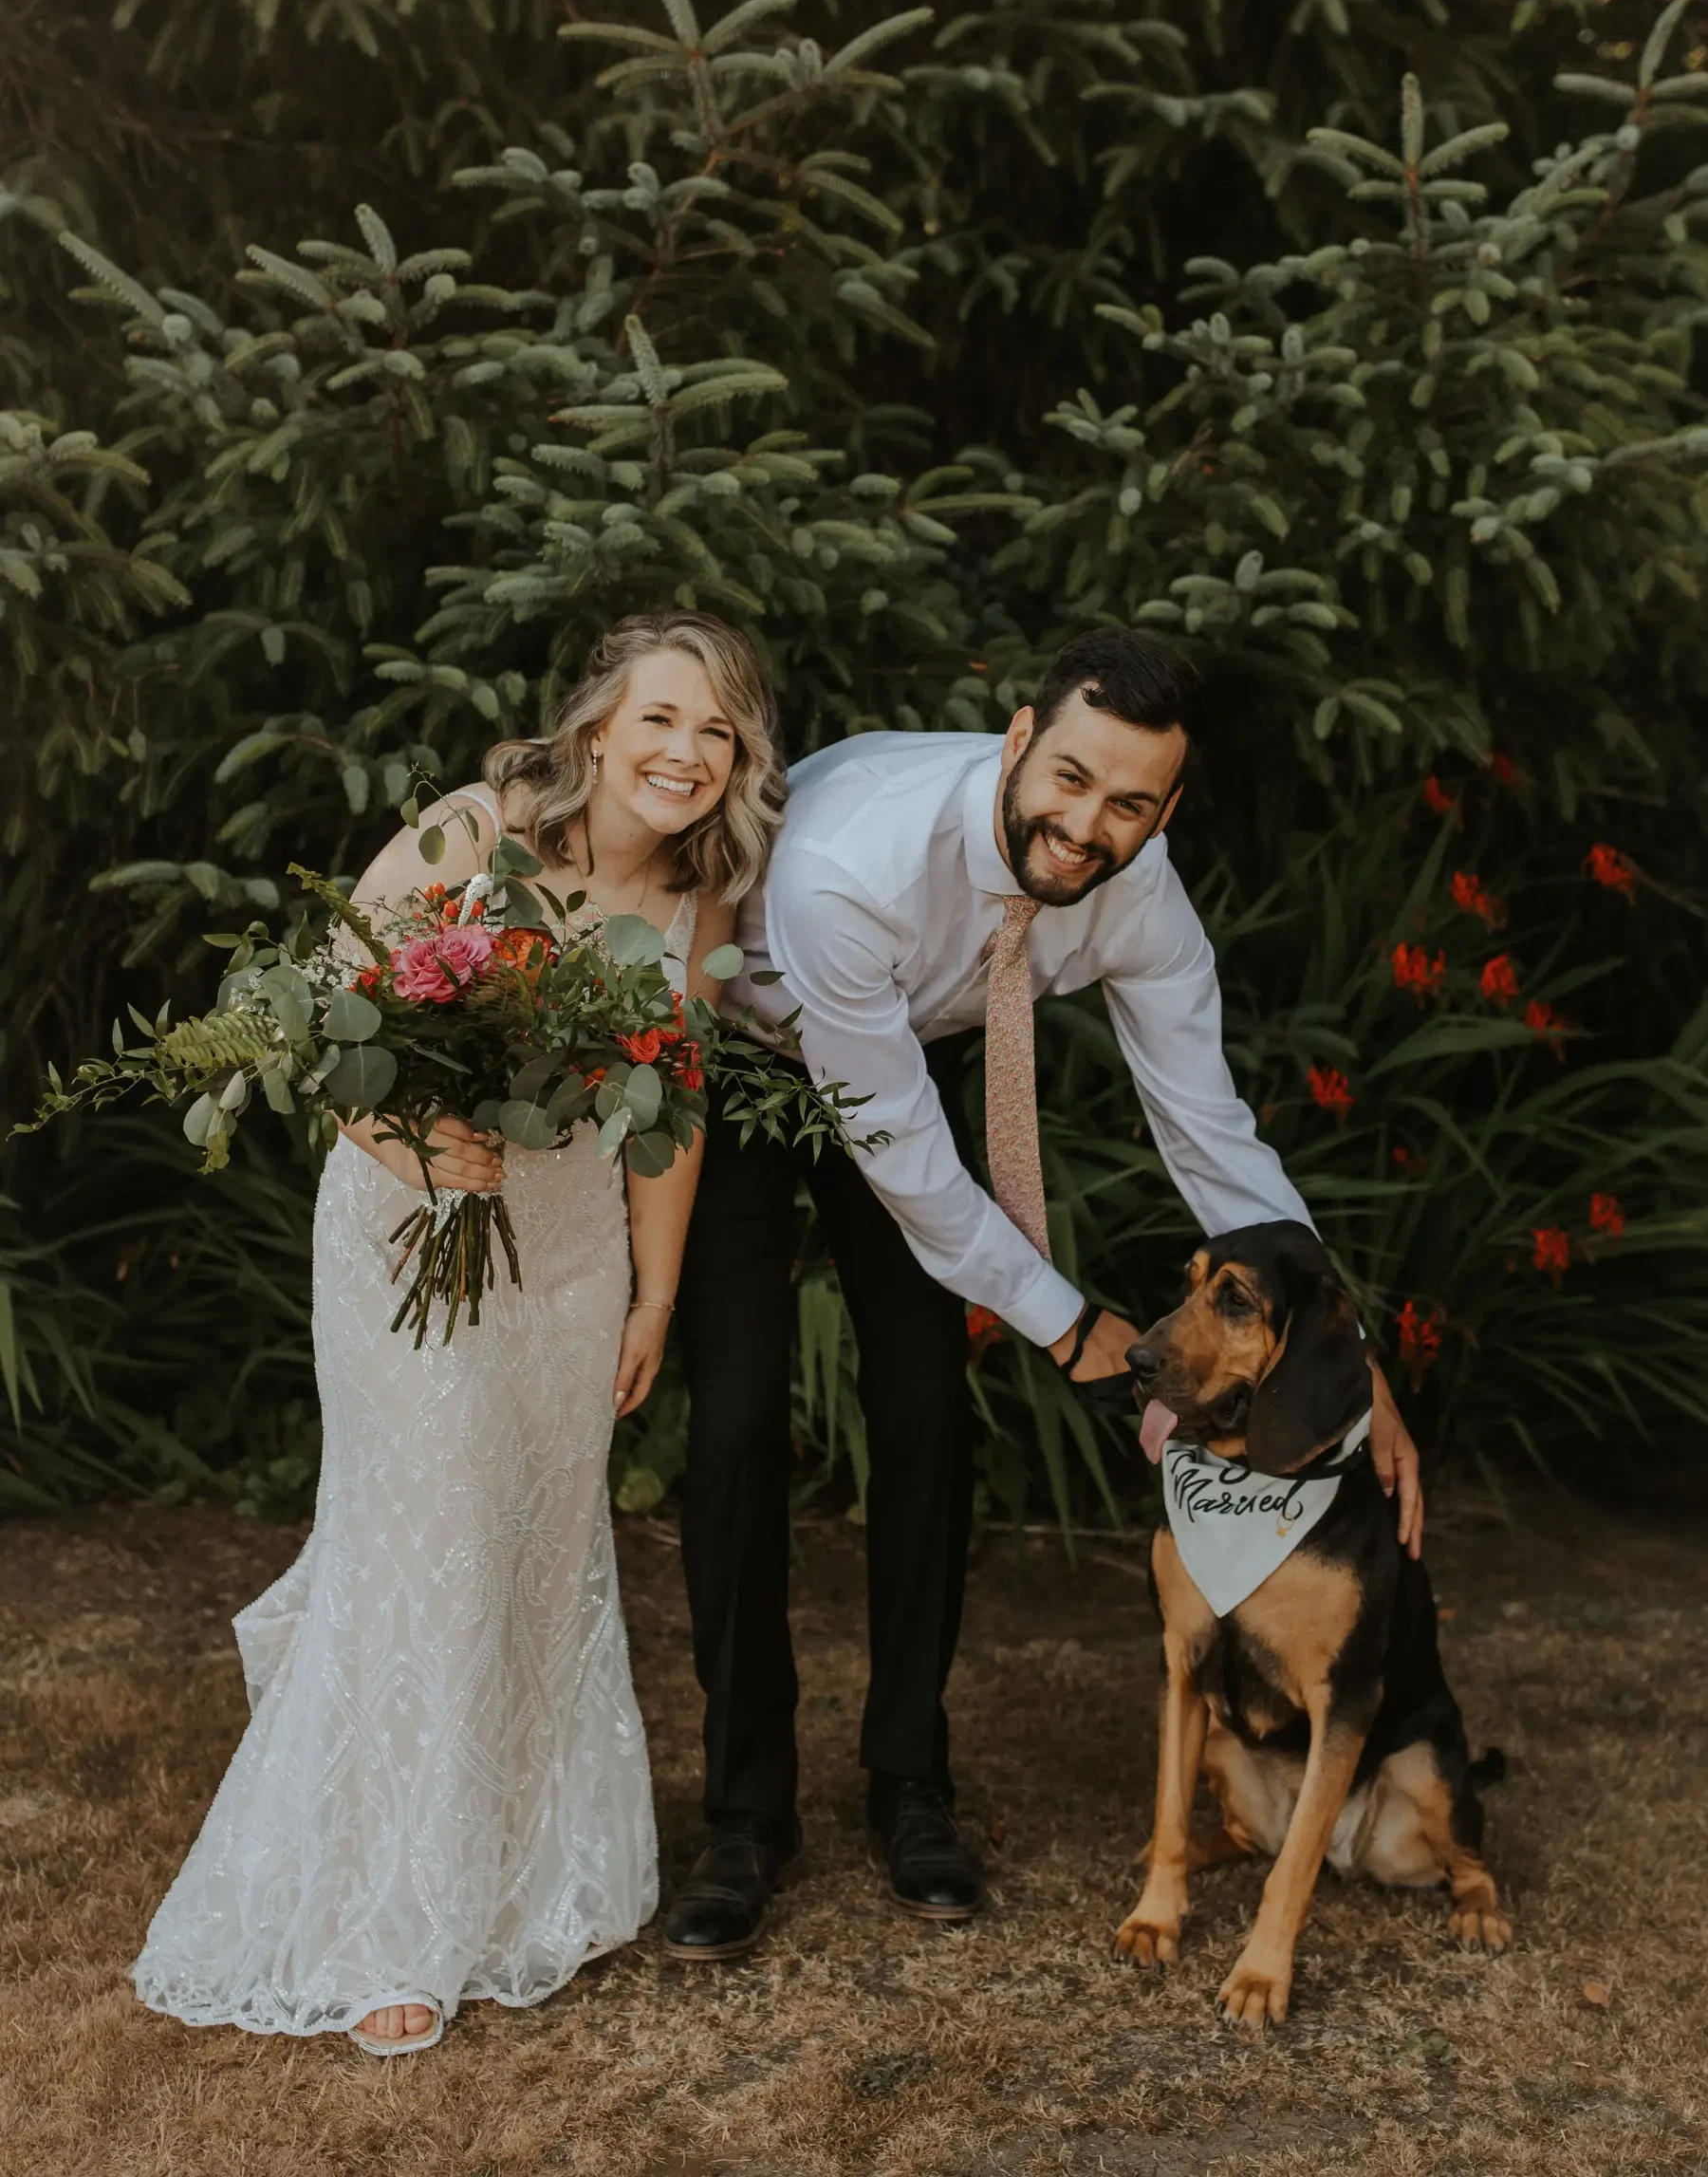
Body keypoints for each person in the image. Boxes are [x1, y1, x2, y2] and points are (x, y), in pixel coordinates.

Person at [666, 626, 1422, 1961]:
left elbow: (1210, 1133)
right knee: (731, 1428)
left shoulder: (1139, 892)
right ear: (1018, 741)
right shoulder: (855, 863)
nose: (1086, 828)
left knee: (925, 1417)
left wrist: (1344, 1346)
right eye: (1067, 781)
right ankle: (744, 1814)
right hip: (755, 1061)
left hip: (913, 1048)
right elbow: (901, 1157)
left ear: (1166, 810)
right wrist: (1073, 1325)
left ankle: (910, 1784)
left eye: (1130, 804)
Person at [135, 611, 785, 2055]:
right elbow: (322, 1031)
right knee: (422, 1539)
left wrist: (653, 1296)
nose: (686, 753)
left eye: (718, 733)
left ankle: (521, 1880)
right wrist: (409, 1137)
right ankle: (394, 1922)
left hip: (565, 1259)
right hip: (404, 1220)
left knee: (532, 1548)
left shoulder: (699, 903)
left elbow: (665, 1122)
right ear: (599, 727)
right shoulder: (475, 831)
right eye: (662, 718)